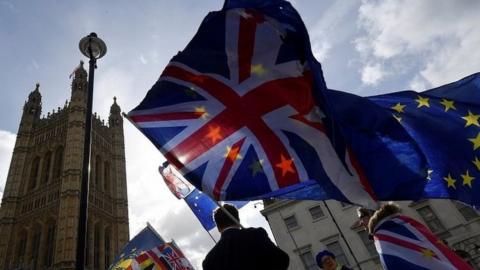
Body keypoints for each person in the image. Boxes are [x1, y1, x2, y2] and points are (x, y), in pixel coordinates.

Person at [357, 203, 473, 270]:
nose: (360, 223)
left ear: (372, 215)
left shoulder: (393, 231)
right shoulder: (391, 231)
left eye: (361, 216)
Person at [202, 204, 289, 270]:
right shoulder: (256, 234)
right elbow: (282, 259)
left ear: (218, 227)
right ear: (238, 220)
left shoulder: (209, 261)